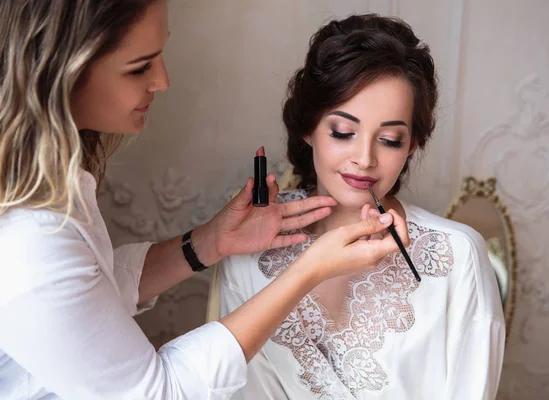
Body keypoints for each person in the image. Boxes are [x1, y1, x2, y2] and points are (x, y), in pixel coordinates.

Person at [0, 2, 409, 399]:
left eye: (391, 139)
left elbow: (89, 293)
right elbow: (158, 392)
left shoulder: (57, 183)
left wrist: (210, 242)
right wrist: (308, 271)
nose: (162, 80)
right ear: (63, 71)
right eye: (139, 66)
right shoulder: (29, 241)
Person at [216, 14, 506, 399]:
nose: (364, 158)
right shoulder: (252, 241)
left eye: (389, 139)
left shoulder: (457, 255)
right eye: (343, 132)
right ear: (308, 127)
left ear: (412, 145)